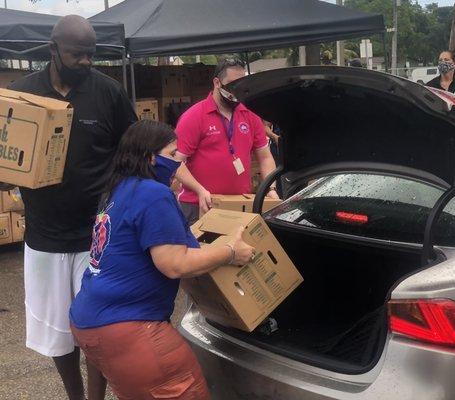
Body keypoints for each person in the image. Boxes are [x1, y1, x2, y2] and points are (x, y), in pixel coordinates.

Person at [0, 15, 137, 400]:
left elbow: (132, 150)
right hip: (44, 235)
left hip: (97, 235)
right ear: (53, 50)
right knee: (58, 332)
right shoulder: (23, 96)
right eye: (77, 55)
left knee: (97, 329)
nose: (86, 62)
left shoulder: (108, 93)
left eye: (91, 55)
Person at [69, 120, 255, 400]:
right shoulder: (153, 194)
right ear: (149, 157)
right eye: (172, 153)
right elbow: (173, 264)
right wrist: (230, 251)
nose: (179, 159)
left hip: (89, 319)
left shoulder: (120, 189)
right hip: (130, 327)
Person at [175, 57, 279, 225]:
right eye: (232, 85)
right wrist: (200, 190)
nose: (237, 91)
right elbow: (176, 162)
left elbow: (265, 157)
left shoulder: (249, 114)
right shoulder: (194, 116)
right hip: (198, 205)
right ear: (217, 83)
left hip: (239, 204)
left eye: (242, 85)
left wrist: (271, 188)